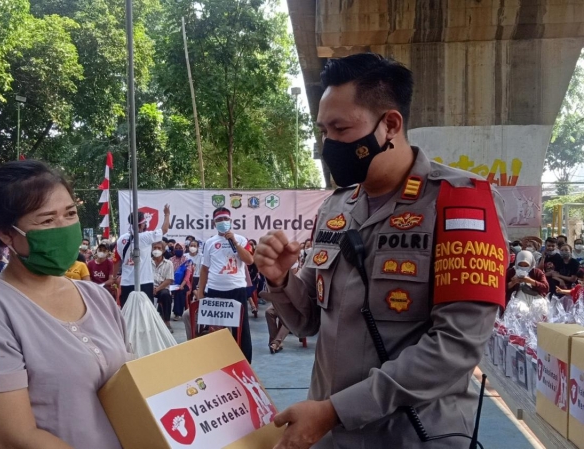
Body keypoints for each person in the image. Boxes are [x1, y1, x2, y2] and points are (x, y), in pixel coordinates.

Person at [255, 53, 509, 449]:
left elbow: (455, 347)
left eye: (340, 129)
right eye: (323, 131)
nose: (328, 145)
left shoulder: (461, 204)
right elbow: (307, 321)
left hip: (414, 437)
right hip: (330, 436)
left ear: (390, 124)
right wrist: (281, 278)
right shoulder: (336, 207)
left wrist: (334, 410)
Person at [0, 160, 131, 449]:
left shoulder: (97, 298)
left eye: (70, 214)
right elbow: (14, 439)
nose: (63, 228)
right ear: (6, 234)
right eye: (47, 220)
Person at [194, 207, 254, 363]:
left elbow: (249, 260)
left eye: (225, 219)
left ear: (230, 221)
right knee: (215, 328)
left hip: (237, 290)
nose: (222, 222)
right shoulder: (210, 243)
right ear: (214, 223)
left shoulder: (241, 239)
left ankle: (244, 362)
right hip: (215, 290)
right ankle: (216, 361)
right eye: (219, 220)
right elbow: (205, 269)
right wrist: (201, 291)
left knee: (241, 328)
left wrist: (234, 242)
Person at [113, 205, 170, 307]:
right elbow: (164, 229)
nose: (145, 224)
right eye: (144, 222)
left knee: (128, 314)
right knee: (145, 314)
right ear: (142, 224)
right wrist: (167, 214)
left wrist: (114, 277)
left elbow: (116, 260)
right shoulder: (145, 237)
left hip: (126, 283)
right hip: (144, 282)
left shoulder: (121, 239)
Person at [152, 241, 174, 332]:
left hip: (162, 288)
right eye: (155, 248)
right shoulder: (147, 262)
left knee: (166, 295)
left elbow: (169, 280)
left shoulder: (169, 263)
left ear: (163, 250)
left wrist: (157, 289)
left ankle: (167, 321)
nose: (156, 250)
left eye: (159, 248)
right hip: (149, 287)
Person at [170, 242, 190, 320]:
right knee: (164, 292)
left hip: (184, 283)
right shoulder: (170, 260)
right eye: (176, 249)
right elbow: (168, 273)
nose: (178, 250)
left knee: (180, 292)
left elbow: (187, 275)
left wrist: (181, 285)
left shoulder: (187, 260)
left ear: (184, 249)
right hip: (171, 282)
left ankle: (177, 313)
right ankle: (163, 313)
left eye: (180, 248)